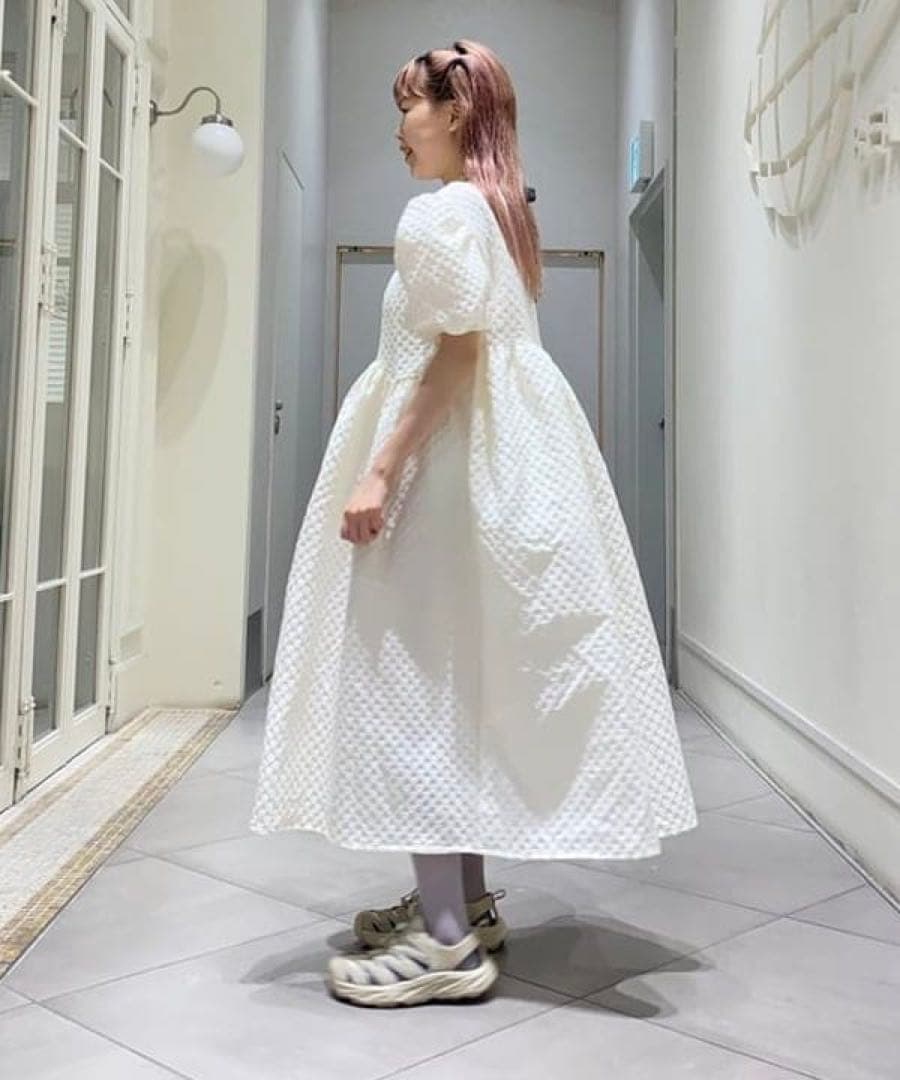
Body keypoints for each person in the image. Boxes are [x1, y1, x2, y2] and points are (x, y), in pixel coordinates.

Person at [249, 38, 698, 1009]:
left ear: (455, 113)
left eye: (409, 107)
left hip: (449, 475)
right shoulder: (495, 213)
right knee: (461, 677)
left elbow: (454, 356)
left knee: (417, 681)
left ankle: (446, 942)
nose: (399, 127)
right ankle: (464, 902)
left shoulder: (442, 212)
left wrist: (379, 468)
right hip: (500, 466)